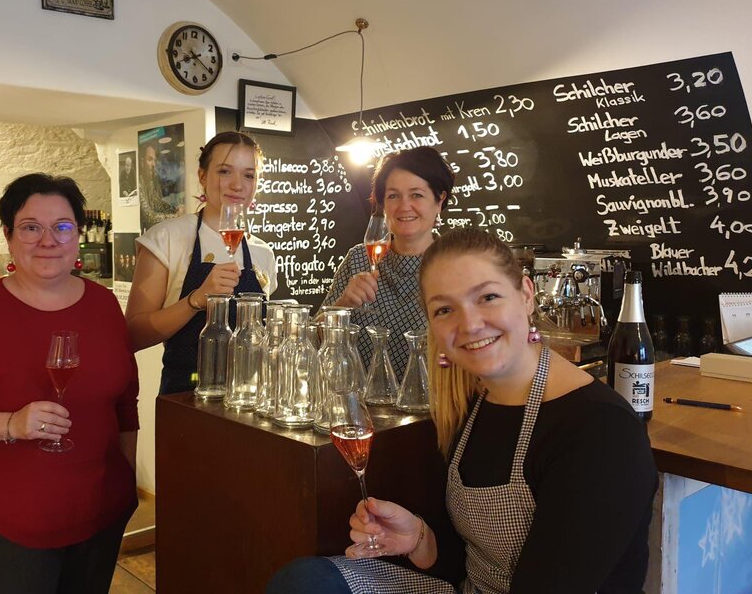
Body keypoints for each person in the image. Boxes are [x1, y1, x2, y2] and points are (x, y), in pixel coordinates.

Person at [267, 228, 658, 594]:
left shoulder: (600, 433)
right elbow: (469, 563)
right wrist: (420, 538)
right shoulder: (475, 404)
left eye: (487, 297)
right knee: (304, 582)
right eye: (444, 310)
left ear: (525, 293)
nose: (469, 324)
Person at [0, 173, 139, 594]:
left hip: (100, 513)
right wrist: (11, 424)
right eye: (31, 227)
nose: (48, 240)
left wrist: (125, 477)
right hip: (11, 522)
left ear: (78, 235)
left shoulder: (104, 305)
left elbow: (126, 401)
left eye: (62, 226)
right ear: (8, 236)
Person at [126, 131, 277, 394]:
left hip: (250, 400)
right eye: (225, 172)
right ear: (203, 176)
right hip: (187, 397)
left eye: (249, 175)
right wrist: (196, 300)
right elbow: (133, 335)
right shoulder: (166, 238)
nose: (238, 185)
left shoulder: (261, 252)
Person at [319, 146, 455, 379]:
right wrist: (342, 305)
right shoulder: (359, 259)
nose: (404, 206)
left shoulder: (456, 266)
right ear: (382, 204)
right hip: (359, 409)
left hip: (435, 410)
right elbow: (313, 341)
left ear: (439, 200)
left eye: (417, 195)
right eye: (393, 196)